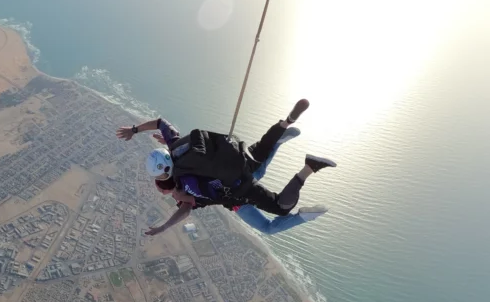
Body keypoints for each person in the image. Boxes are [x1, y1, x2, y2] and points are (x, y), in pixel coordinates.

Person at [116, 98, 336, 218]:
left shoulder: (183, 183)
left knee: (281, 207)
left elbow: (189, 205)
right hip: (237, 153)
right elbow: (159, 122)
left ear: (165, 174)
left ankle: (308, 167)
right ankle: (286, 122)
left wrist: (166, 223)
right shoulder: (175, 146)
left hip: (241, 183)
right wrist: (134, 130)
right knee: (263, 146)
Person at [148, 126, 328, 236]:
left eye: (162, 189)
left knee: (268, 227)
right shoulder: (185, 171)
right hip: (234, 177)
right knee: (255, 166)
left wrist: (164, 227)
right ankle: (276, 142)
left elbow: (185, 210)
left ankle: (304, 216)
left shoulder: (183, 193)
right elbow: (181, 150)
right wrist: (168, 143)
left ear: (166, 189)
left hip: (237, 200)